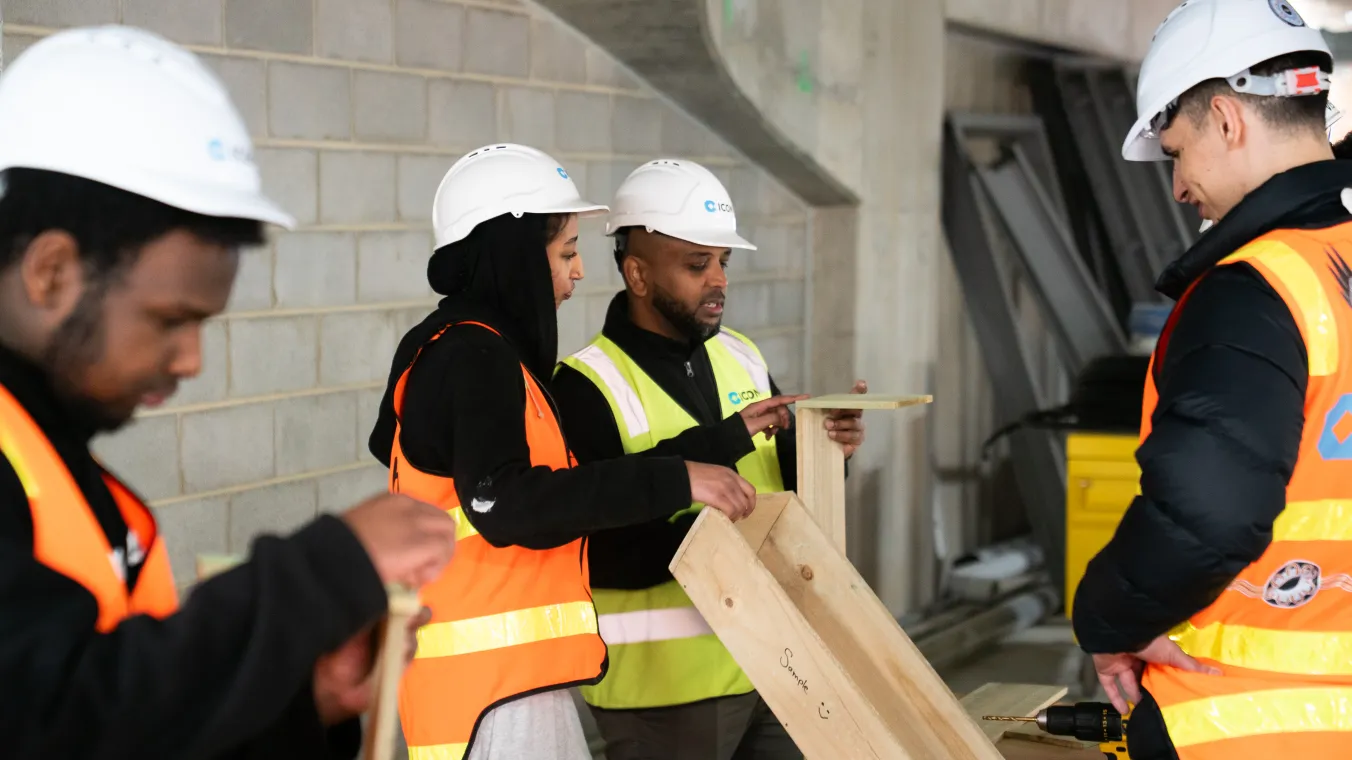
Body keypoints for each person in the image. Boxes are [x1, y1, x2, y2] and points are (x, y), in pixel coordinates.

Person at [0, 25, 458, 760]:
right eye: (170, 320)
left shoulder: (55, 469)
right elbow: (51, 716)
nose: (192, 360)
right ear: (50, 272)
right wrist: (322, 574)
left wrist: (298, 707)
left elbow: (117, 726)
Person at [366, 143, 758, 760]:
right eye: (567, 252)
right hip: (490, 698)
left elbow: (569, 484)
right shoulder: (471, 355)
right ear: (516, 255)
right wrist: (678, 481)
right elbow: (506, 503)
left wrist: (716, 447)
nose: (578, 272)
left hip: (506, 688)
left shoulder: (475, 353)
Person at [1071, 1, 1352, 757]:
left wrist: (1109, 618)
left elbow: (1211, 512)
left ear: (1226, 120)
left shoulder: (1256, 290)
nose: (1179, 187)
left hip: (1243, 724)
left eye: (1175, 152)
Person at [551, 158, 868, 760]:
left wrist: (828, 452)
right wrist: (715, 528)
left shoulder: (742, 357)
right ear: (638, 273)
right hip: (666, 691)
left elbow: (780, 493)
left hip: (772, 664)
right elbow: (595, 551)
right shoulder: (585, 386)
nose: (719, 280)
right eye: (698, 265)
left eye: (724, 262)